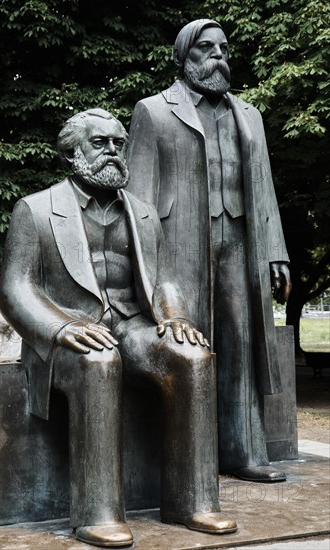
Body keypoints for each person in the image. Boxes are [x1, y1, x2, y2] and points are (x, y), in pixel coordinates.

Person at [0, 108, 237, 548]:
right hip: (69, 336)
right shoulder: (34, 209)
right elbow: (15, 290)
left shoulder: (143, 214)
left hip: (132, 326)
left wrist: (176, 317)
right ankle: (98, 513)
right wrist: (60, 327)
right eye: (100, 143)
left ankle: (194, 501)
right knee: (98, 358)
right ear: (72, 153)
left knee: (193, 356)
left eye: (118, 143)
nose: (112, 152)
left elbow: (164, 280)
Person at [127, 19, 292, 482]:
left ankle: (243, 452)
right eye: (206, 47)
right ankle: (187, 457)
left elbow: (263, 189)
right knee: (187, 342)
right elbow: (137, 195)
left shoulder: (250, 116)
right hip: (179, 241)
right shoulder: (153, 111)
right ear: (183, 58)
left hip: (241, 241)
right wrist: (141, 261)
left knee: (240, 341)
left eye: (223, 47)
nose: (219, 55)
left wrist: (276, 251)